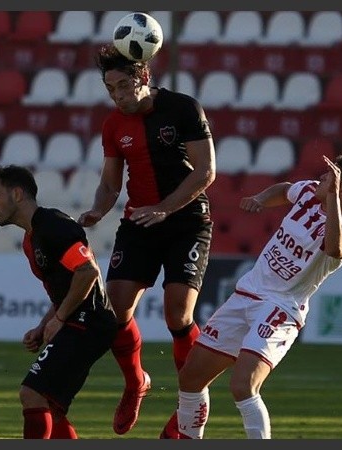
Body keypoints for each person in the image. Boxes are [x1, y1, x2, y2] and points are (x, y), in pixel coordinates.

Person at [160, 155, 342, 439]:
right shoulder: (312, 192)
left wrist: (333, 197)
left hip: (281, 308)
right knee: (190, 376)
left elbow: (335, 249)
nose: (321, 180)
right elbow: (285, 189)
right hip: (247, 294)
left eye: (328, 180)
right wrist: (262, 198)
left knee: (243, 386)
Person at [77, 44, 216, 435]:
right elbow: (109, 184)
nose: (118, 96)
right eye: (111, 90)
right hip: (140, 221)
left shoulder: (184, 109)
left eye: (124, 86)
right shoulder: (113, 125)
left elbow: (206, 172)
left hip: (187, 219)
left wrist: (166, 208)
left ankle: (187, 407)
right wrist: (97, 211)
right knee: (114, 314)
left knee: (178, 315)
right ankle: (136, 382)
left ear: (144, 78)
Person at [0, 164, 118, 439]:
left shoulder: (53, 226)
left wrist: (59, 320)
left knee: (31, 393)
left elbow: (87, 272)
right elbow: (65, 289)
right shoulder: (32, 238)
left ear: (18, 194)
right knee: (50, 407)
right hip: (81, 320)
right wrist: (43, 325)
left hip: (88, 321)